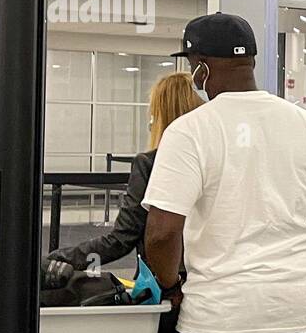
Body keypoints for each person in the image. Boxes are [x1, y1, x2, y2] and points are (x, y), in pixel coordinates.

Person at [143, 13, 306, 333]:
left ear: (200, 67)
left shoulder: (189, 131)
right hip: (294, 311)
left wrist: (170, 287)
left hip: (220, 318)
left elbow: (162, 232)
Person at [43, 71, 201, 285]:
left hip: (165, 286)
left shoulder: (150, 163)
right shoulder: (213, 160)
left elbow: (122, 239)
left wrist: (58, 258)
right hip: (208, 282)